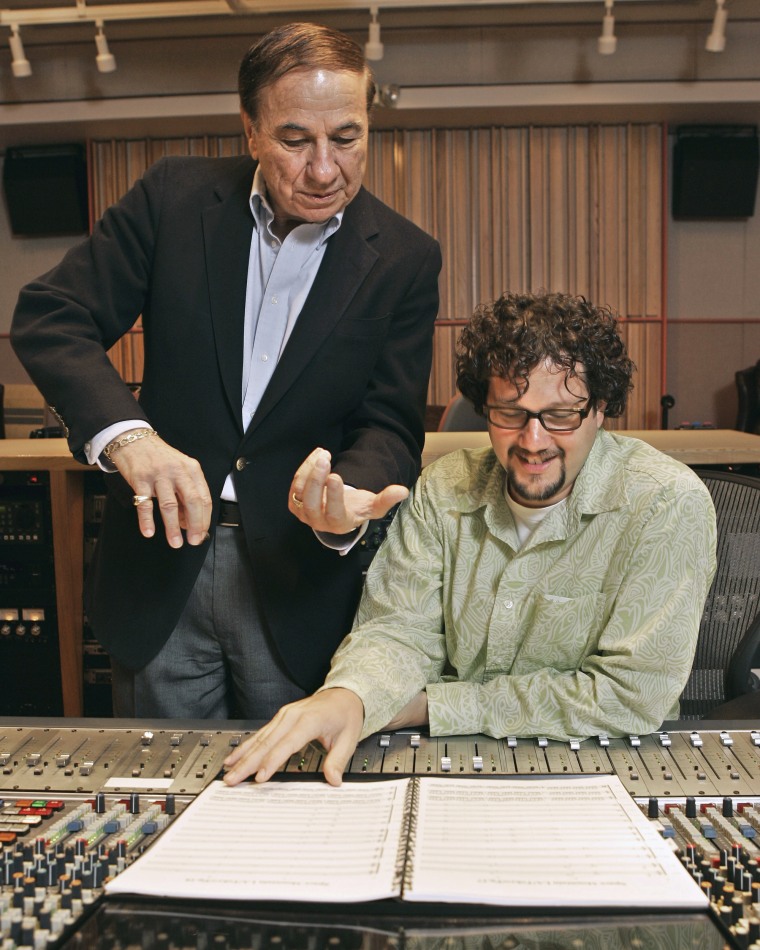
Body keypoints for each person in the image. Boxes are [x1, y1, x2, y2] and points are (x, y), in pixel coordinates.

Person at [10, 22, 442, 719]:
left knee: (295, 807)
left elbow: (388, 423)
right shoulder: (172, 197)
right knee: (167, 802)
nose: (325, 169)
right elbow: (52, 314)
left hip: (300, 580)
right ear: (250, 131)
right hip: (160, 573)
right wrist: (131, 439)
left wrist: (344, 502)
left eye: (347, 137)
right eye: (295, 140)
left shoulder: (406, 257)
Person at [223, 290, 718, 787]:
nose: (534, 440)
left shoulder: (666, 504)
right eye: (510, 413)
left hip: (605, 769)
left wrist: (429, 706)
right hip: (451, 763)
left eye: (561, 415)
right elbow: (398, 629)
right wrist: (351, 694)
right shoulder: (444, 487)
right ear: (484, 408)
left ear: (600, 407)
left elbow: (629, 696)